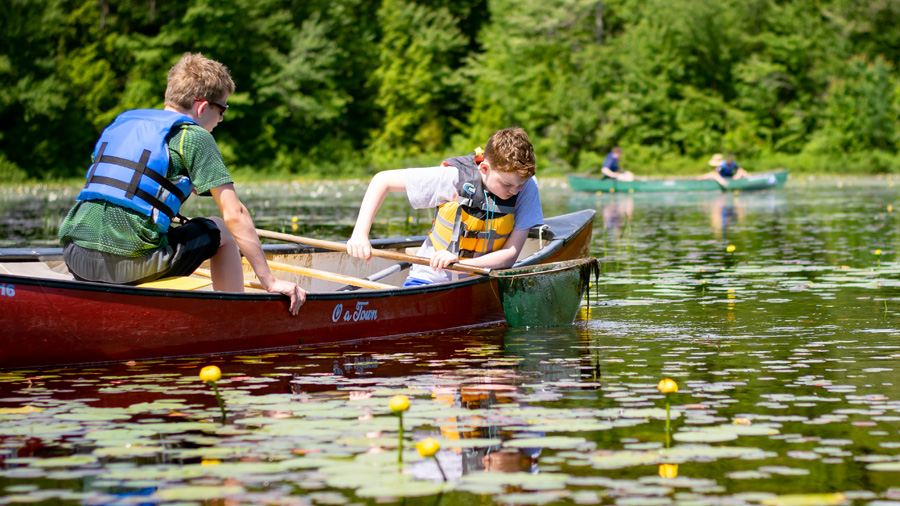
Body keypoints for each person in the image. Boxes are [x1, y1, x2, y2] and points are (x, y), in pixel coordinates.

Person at [57, 53, 305, 314]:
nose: (221, 119)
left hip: (74, 256)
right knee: (223, 230)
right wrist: (270, 281)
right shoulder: (194, 136)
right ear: (201, 106)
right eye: (221, 110)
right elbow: (235, 213)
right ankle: (234, 315)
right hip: (128, 266)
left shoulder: (124, 124)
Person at [346, 127, 543, 285]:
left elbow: (510, 255)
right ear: (484, 168)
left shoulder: (526, 186)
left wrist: (464, 264)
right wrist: (360, 235)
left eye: (521, 184)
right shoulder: (453, 179)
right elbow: (382, 180)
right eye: (508, 184)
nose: (515, 191)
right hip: (430, 278)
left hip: (484, 281)